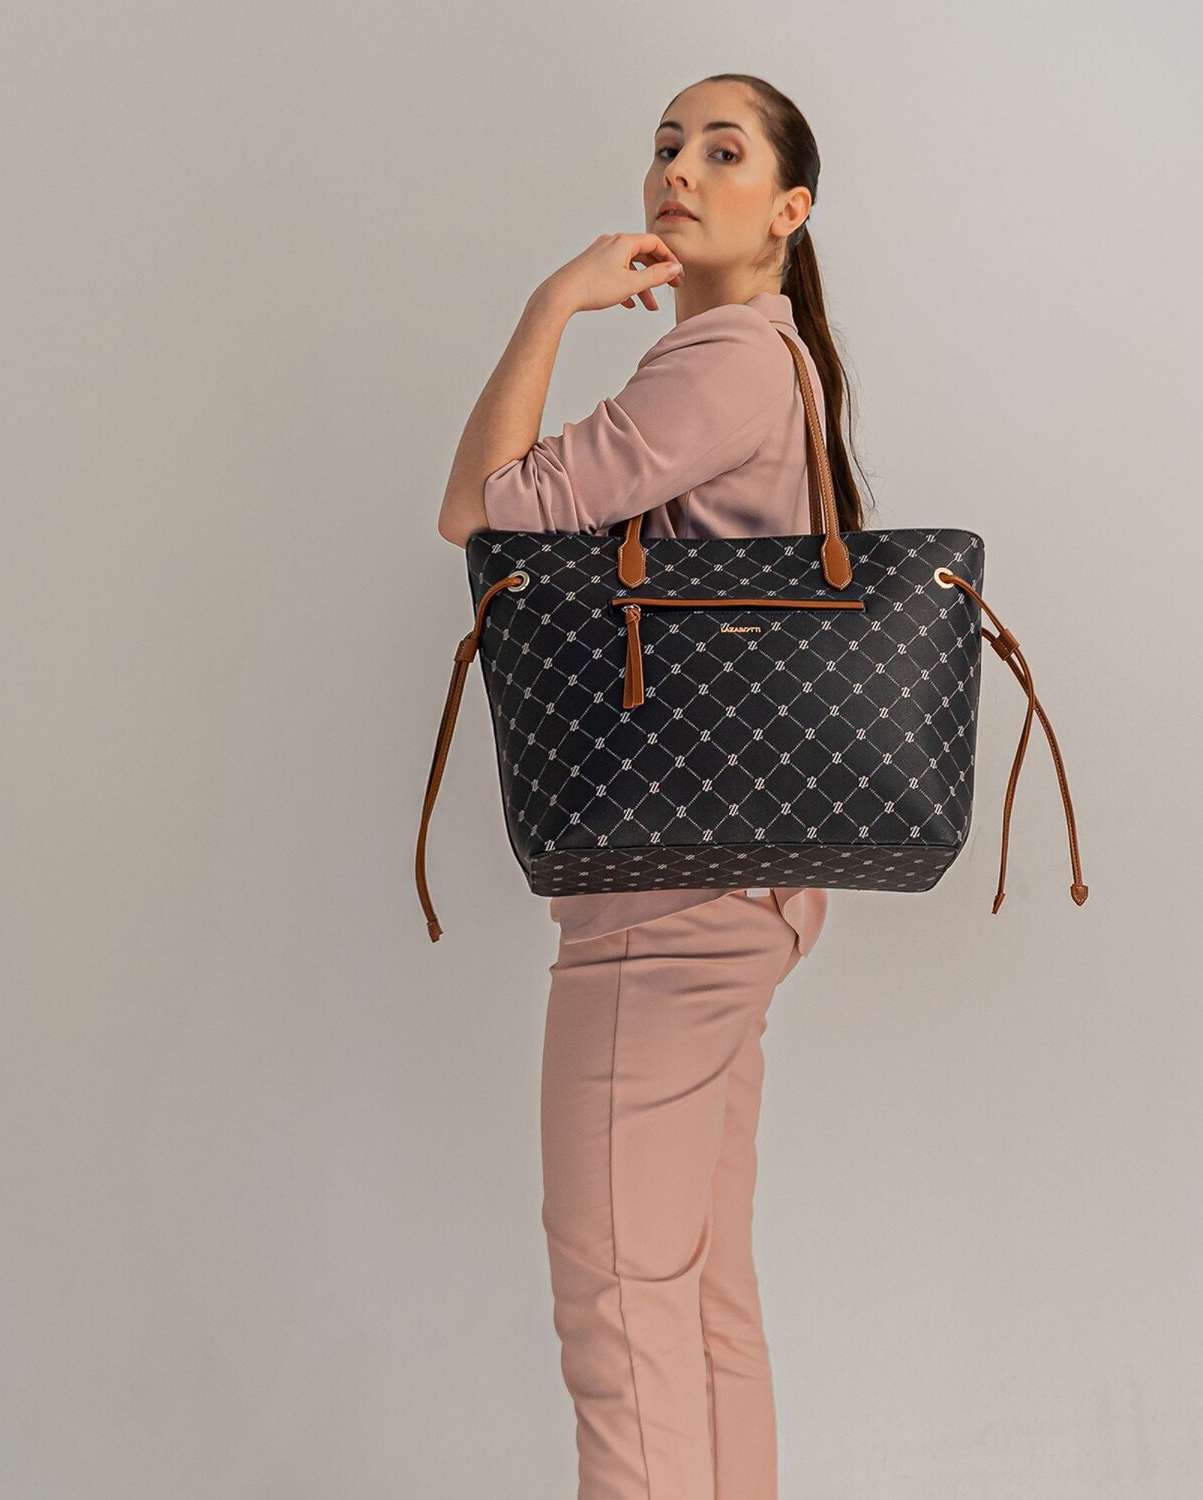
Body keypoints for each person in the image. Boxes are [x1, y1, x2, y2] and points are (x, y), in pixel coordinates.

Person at [436, 73, 870, 1500]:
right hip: (747, 891)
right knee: (698, 1299)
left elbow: (480, 509)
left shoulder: (723, 361)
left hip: (662, 908)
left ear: (789, 210)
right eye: (667, 146)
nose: (679, 170)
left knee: (620, 1314)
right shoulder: (782, 363)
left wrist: (551, 305)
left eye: (722, 152)